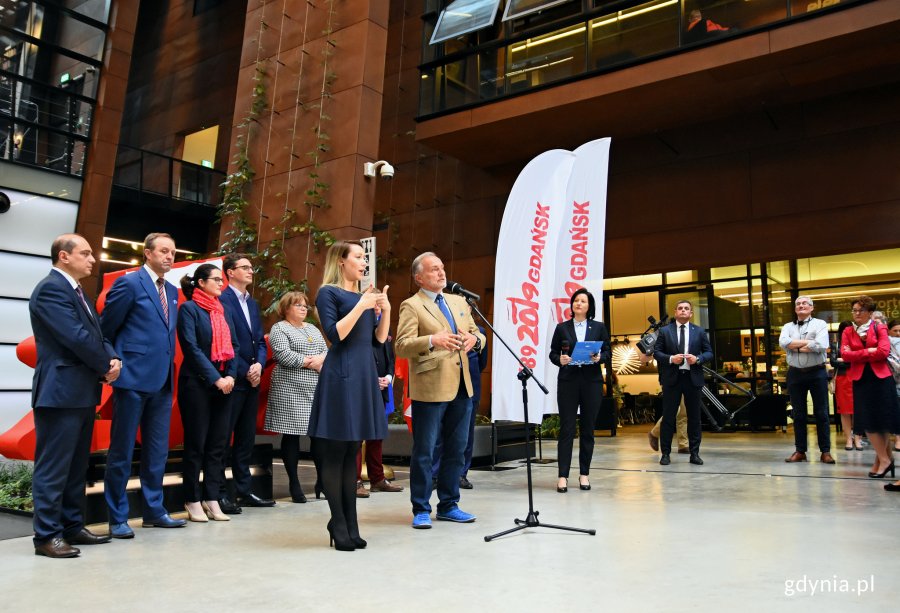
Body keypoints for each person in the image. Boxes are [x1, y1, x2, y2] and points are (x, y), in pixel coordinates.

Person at [29, 234, 120, 558]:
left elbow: (98, 334)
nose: (92, 259)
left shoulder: (77, 292)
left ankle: (71, 527)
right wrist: (104, 363)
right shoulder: (51, 289)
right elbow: (75, 337)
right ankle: (46, 537)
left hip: (80, 392)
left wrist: (113, 358)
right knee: (54, 467)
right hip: (60, 392)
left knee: (76, 466)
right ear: (63, 256)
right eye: (85, 253)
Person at [100, 232, 186, 537]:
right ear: (147, 253)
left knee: (157, 450)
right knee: (122, 451)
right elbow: (106, 329)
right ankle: (117, 517)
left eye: (173, 252)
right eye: (163, 251)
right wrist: (113, 359)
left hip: (163, 380)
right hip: (133, 379)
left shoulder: (173, 291)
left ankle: (153, 510)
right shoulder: (128, 283)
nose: (169, 256)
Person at [307, 241, 390, 551]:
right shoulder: (328, 292)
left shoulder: (362, 298)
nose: (363, 261)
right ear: (341, 261)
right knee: (336, 453)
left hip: (363, 374)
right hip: (341, 374)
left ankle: (350, 525)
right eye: (357, 256)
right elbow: (335, 333)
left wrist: (386, 309)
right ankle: (338, 523)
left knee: (353, 451)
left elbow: (378, 340)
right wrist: (362, 306)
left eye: (364, 256)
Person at [395, 252, 485, 529]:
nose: (441, 273)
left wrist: (475, 339)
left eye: (442, 268)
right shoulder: (412, 305)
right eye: (434, 270)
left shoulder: (459, 302)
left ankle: (449, 505)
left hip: (462, 386)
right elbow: (401, 345)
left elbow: (477, 333)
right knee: (425, 451)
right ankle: (421, 507)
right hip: (430, 387)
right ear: (419, 277)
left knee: (456, 450)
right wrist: (433, 339)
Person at [176, 263, 239, 522]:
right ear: (200, 283)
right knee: (196, 445)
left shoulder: (222, 311)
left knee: (217, 445)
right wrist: (216, 378)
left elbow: (234, 346)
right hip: (198, 384)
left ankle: (211, 498)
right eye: (215, 280)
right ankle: (191, 499)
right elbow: (190, 348)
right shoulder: (189, 309)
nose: (220, 284)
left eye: (221, 280)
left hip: (225, 384)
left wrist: (231, 376)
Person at [218, 254, 274, 513]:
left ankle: (243, 490)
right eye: (245, 267)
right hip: (232, 379)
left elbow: (260, 341)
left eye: (252, 268)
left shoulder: (251, 303)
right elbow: (225, 341)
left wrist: (259, 366)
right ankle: (218, 493)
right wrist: (244, 370)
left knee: (245, 440)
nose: (251, 271)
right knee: (222, 438)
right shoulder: (222, 299)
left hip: (251, 379)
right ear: (230, 272)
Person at [264, 291, 327, 503]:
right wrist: (312, 362)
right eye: (298, 305)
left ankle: (323, 481)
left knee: (318, 436)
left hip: (314, 387)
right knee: (291, 435)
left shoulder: (312, 329)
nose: (303, 308)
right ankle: (294, 483)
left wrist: (318, 360)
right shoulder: (279, 328)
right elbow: (282, 354)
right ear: (286, 308)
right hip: (288, 387)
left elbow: (325, 352)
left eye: (305, 305)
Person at [548, 288, 610, 492]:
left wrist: (600, 358)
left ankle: (584, 474)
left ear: (589, 305)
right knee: (566, 428)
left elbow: (608, 351)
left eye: (583, 301)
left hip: (591, 381)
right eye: (576, 300)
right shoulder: (562, 327)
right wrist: (561, 360)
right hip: (568, 382)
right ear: (572, 305)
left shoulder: (599, 327)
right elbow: (553, 353)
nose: (579, 304)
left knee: (588, 430)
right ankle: (563, 476)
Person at [841, 296, 898, 482]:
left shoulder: (879, 327)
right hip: (861, 379)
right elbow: (845, 355)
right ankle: (884, 460)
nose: (857, 313)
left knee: (883, 421)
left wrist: (860, 354)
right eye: (854, 310)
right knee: (868, 421)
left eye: (861, 310)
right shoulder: (848, 331)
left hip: (882, 379)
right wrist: (869, 352)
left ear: (870, 313)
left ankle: (882, 461)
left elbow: (883, 351)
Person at [653, 299, 713, 466]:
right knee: (668, 417)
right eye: (680, 308)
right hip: (672, 379)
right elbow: (657, 353)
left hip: (692, 379)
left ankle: (694, 454)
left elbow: (709, 353)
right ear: (675, 312)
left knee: (694, 418)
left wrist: (698, 359)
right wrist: (671, 358)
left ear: (691, 313)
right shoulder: (665, 331)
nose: (683, 311)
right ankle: (665, 454)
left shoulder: (699, 331)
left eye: (687, 309)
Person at [779, 295, 834, 464]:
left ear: (811, 308)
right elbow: (783, 342)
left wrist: (795, 346)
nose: (801, 306)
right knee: (799, 413)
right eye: (798, 304)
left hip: (816, 372)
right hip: (795, 373)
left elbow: (822, 345)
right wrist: (808, 343)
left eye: (804, 303)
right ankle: (800, 450)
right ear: (795, 308)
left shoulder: (820, 324)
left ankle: (825, 451)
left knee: (822, 413)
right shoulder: (787, 326)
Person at [356, 334, 404, 497]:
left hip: (382, 390)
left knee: (377, 436)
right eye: (376, 306)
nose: (378, 309)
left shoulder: (383, 325)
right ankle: (355, 481)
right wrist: (370, 379)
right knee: (357, 437)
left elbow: (390, 357)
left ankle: (377, 479)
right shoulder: (359, 324)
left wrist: (388, 378)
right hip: (360, 388)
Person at [831, 320, 862, 451]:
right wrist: (852, 359)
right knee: (844, 411)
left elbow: (861, 359)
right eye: (844, 330)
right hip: (842, 379)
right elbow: (833, 362)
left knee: (859, 410)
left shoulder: (859, 343)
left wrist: (844, 359)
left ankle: (858, 439)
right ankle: (849, 438)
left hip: (858, 378)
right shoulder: (836, 345)